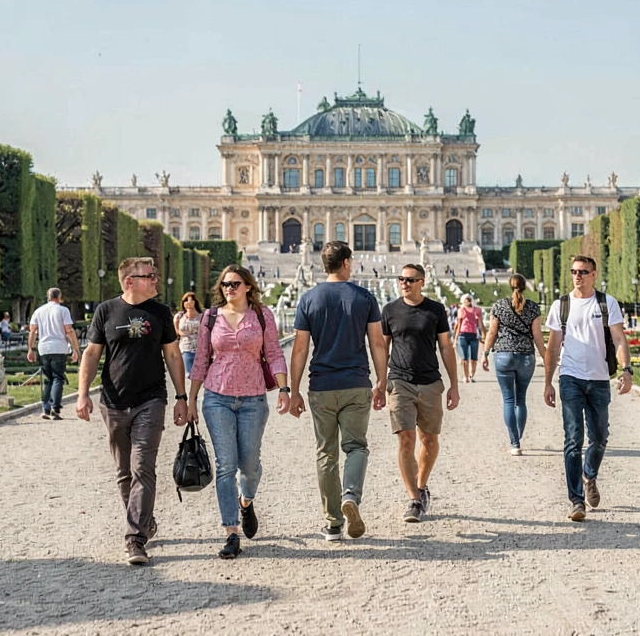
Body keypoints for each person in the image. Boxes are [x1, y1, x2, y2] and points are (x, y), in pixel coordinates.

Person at [76, 256, 189, 566]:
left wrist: (181, 397)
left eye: (154, 275)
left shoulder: (161, 313)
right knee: (124, 473)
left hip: (150, 400)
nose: (156, 280)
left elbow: (173, 356)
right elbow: (91, 354)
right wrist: (83, 394)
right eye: (149, 276)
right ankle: (143, 520)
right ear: (130, 281)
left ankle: (134, 538)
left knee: (143, 468)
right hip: (113, 401)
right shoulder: (106, 311)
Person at [285, 240, 389, 542]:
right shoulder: (364, 297)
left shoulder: (309, 298)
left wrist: (294, 390)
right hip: (356, 383)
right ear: (346, 263)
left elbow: (300, 348)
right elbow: (377, 343)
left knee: (325, 453)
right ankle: (351, 497)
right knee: (356, 446)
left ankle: (332, 523)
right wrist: (382, 380)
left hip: (321, 385)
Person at [186, 265, 288, 559]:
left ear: (247, 286)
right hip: (217, 396)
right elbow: (201, 360)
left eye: (234, 283)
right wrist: (191, 398)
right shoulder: (210, 317)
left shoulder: (262, 315)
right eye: (225, 284)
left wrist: (284, 390)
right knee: (226, 464)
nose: (229, 288)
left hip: (254, 397)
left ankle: (247, 500)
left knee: (250, 464)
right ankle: (231, 531)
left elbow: (275, 354)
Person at [544, 256, 632, 522]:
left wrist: (626, 369)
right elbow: (552, 346)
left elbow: (619, 338)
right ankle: (576, 500)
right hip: (570, 376)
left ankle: (589, 475)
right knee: (573, 440)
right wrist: (548, 381)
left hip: (599, 378)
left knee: (600, 437)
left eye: (583, 271)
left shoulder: (607, 303)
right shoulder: (561, 305)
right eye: (573, 271)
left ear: (594, 274)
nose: (577, 276)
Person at [381, 264, 460, 523]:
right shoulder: (390, 310)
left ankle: (422, 485)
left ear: (422, 282)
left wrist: (454, 385)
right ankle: (414, 498)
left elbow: (446, 348)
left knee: (429, 441)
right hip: (399, 381)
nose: (404, 283)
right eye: (401, 279)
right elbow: (383, 348)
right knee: (405, 439)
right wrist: (380, 382)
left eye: (410, 279)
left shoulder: (435, 310)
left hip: (429, 382)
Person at [481, 274, 544, 455]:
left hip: (503, 355)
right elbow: (537, 335)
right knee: (520, 400)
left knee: (508, 400)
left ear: (510, 286)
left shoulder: (500, 305)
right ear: (525, 286)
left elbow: (492, 333)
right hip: (525, 356)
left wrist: (485, 354)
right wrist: (546, 355)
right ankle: (518, 438)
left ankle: (514, 443)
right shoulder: (532, 307)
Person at [27, 287, 81, 420]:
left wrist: (30, 349)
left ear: (48, 296)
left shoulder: (38, 311)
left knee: (48, 379)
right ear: (59, 296)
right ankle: (55, 408)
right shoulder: (63, 310)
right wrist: (76, 349)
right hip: (58, 347)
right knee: (58, 377)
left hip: (43, 348)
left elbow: (33, 331)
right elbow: (69, 330)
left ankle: (46, 407)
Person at [454, 294, 484, 383]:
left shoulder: (477, 310)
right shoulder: (461, 310)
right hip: (463, 334)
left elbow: (480, 323)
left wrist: (483, 334)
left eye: (469, 299)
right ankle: (465, 376)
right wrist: (455, 339)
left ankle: (471, 375)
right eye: (466, 300)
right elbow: (459, 324)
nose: (468, 301)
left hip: (473, 334)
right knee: (464, 358)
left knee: (473, 358)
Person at [173, 292, 202, 376]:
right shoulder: (179, 316)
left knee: (200, 374)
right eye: (186, 300)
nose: (189, 302)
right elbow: (177, 331)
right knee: (189, 373)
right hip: (186, 346)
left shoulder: (202, 316)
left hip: (200, 347)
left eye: (191, 300)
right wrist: (183, 333)